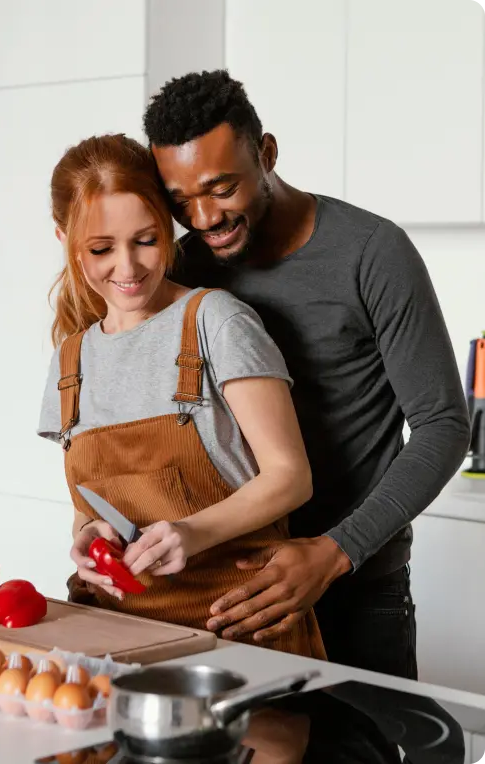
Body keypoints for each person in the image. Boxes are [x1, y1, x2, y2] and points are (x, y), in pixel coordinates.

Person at [142, 69, 471, 762]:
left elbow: (444, 425)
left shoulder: (372, 253)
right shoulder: (187, 268)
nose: (204, 218)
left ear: (267, 151)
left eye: (221, 187)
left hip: (359, 594)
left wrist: (333, 553)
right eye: (181, 200)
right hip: (232, 598)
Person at [38, 134, 325, 763]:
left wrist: (191, 534)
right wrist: (89, 539)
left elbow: (289, 476)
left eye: (146, 238)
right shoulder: (72, 358)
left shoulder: (216, 321)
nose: (129, 267)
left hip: (236, 639)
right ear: (63, 237)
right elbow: (91, 504)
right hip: (115, 643)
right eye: (100, 248)